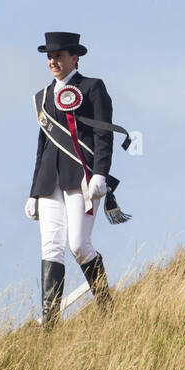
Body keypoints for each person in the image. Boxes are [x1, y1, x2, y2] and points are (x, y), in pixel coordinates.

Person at [25, 31, 121, 323]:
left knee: (79, 245)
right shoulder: (42, 97)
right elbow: (42, 147)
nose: (53, 61)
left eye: (59, 56)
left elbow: (103, 134)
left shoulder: (93, 88)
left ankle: (106, 303)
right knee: (51, 247)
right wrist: (32, 192)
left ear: (74, 57)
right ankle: (50, 321)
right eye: (49, 57)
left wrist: (100, 173)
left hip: (81, 177)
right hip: (48, 181)